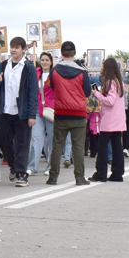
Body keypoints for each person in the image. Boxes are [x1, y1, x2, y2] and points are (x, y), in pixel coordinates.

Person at [0, 36, 39, 187]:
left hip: (22, 111)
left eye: (17, 47)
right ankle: (13, 165)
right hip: (6, 110)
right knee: (3, 138)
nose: (13, 49)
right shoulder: (4, 64)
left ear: (23, 49)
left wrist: (32, 114)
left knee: (22, 143)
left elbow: (33, 92)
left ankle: (21, 173)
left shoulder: (28, 67)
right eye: (12, 46)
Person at [45, 41, 93, 187]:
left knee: (57, 146)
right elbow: (88, 92)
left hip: (60, 112)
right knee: (78, 147)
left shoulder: (54, 70)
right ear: (74, 53)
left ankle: (53, 177)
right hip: (78, 113)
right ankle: (79, 178)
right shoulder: (82, 72)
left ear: (62, 53)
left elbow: (51, 86)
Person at [92, 58, 127, 183]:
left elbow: (110, 101)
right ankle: (117, 173)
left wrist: (97, 94)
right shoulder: (119, 82)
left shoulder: (110, 82)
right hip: (119, 119)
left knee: (102, 146)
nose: (102, 68)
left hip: (109, 120)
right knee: (117, 146)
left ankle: (101, 173)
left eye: (103, 66)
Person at [28, 51, 55, 175]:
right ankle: (32, 166)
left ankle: (51, 167)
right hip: (38, 110)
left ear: (51, 62)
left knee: (51, 140)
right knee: (35, 138)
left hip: (51, 110)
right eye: (42, 60)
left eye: (47, 60)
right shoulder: (35, 74)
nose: (44, 62)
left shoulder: (55, 75)